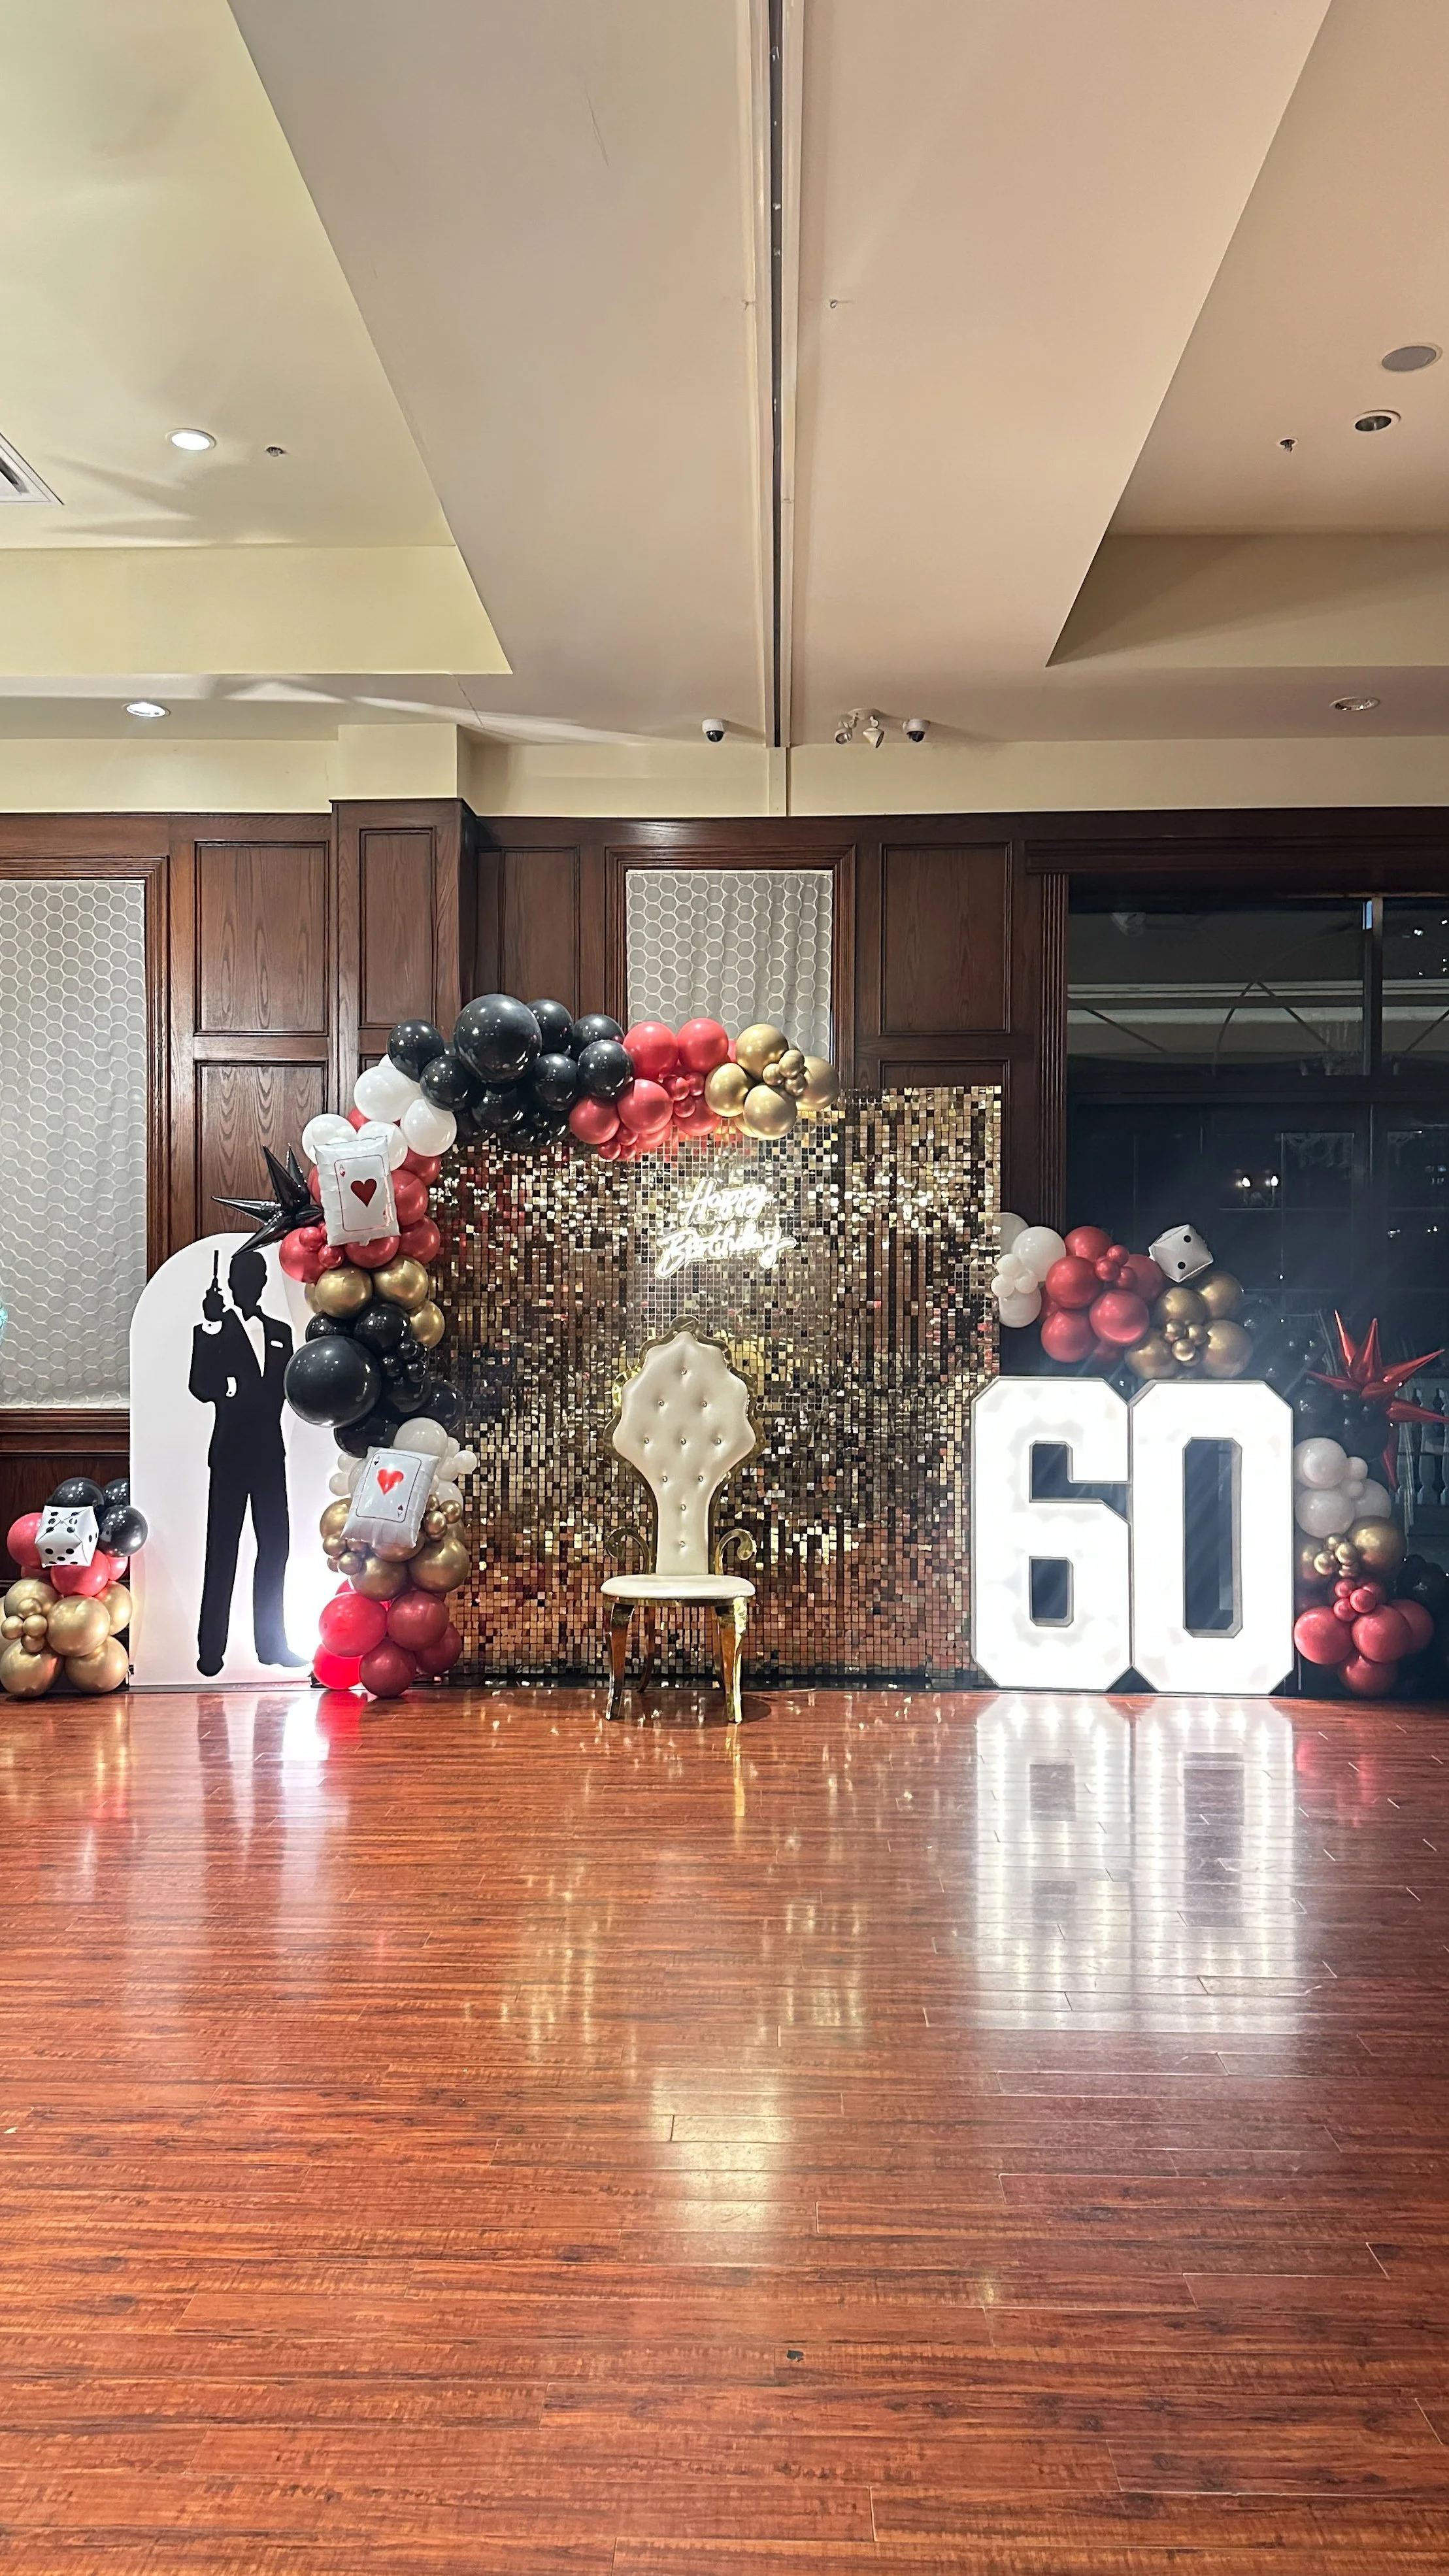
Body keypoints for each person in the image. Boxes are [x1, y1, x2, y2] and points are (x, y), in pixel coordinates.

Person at [189, 1246, 303, 1676]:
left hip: (270, 1454)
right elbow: (200, 1384)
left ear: (263, 1284)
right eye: (240, 1279)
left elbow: (287, 1387)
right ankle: (210, 1651)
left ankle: (272, 1644)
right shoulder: (214, 1329)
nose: (247, 1286)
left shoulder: (279, 1331)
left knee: (276, 1548)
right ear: (231, 1284)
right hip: (231, 1455)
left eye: (254, 1279)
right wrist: (212, 1326)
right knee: (223, 1550)